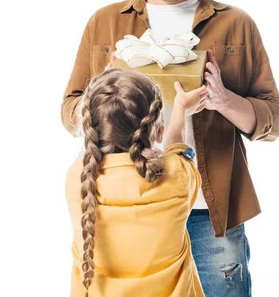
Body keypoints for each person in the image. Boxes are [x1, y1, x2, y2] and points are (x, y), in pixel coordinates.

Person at [61, 0, 279, 295]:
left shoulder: (236, 24)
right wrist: (108, 83)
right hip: (127, 204)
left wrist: (224, 100)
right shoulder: (105, 21)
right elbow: (70, 111)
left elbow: (274, 120)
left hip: (210, 214)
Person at [65, 68, 208, 296]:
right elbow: (177, 150)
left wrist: (106, 83)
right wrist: (180, 108)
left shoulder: (78, 179)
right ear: (159, 131)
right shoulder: (177, 176)